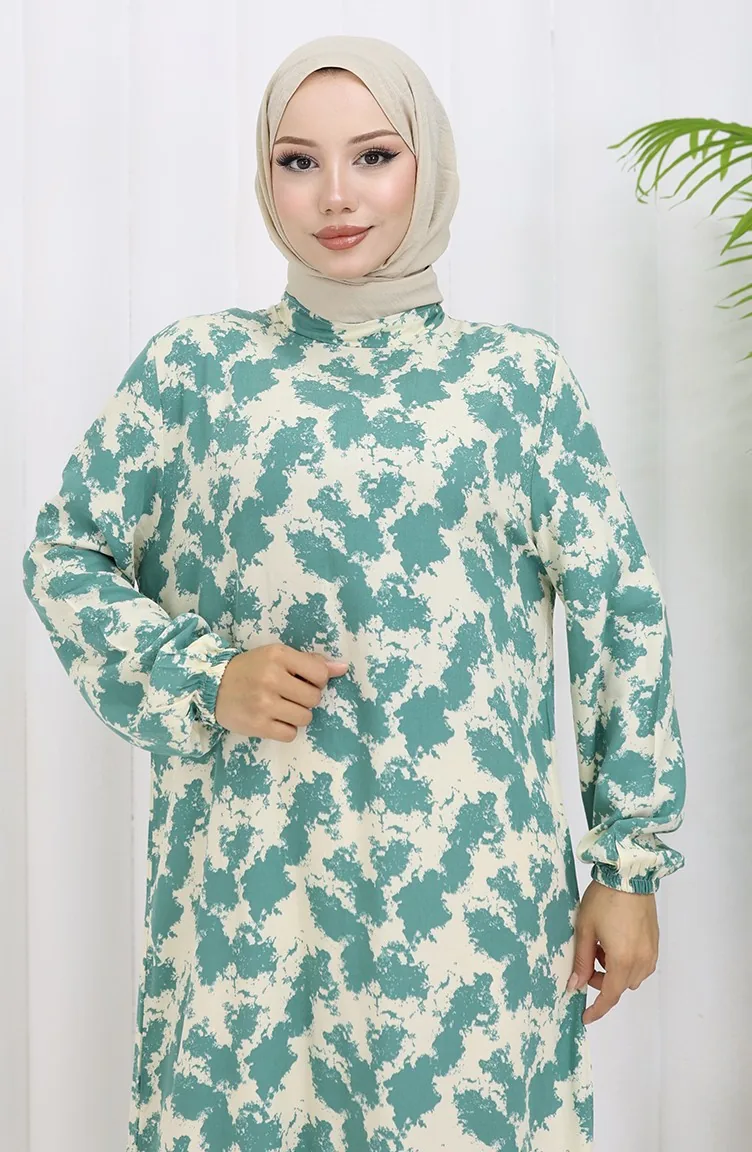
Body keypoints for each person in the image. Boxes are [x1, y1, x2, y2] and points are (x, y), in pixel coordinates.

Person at [22, 33, 686, 1152]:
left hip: (464, 914)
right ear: (264, 175)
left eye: (373, 155)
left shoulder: (515, 382)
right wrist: (203, 675)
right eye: (298, 162)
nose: (335, 195)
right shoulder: (194, 372)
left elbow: (620, 613)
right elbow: (63, 554)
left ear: (427, 162)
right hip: (248, 906)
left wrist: (628, 865)